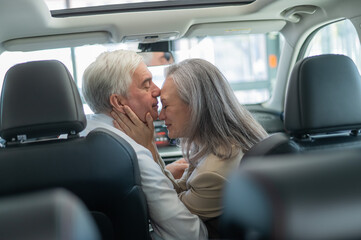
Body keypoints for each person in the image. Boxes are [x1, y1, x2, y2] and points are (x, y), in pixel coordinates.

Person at [112, 58, 268, 238]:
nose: (160, 115)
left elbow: (171, 213)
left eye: (166, 106)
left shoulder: (213, 171)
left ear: (195, 106)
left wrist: (148, 148)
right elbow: (180, 192)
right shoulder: (218, 144)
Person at [80, 50, 208, 240]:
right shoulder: (133, 156)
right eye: (146, 85)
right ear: (118, 101)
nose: (157, 91)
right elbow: (191, 235)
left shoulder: (74, 134)